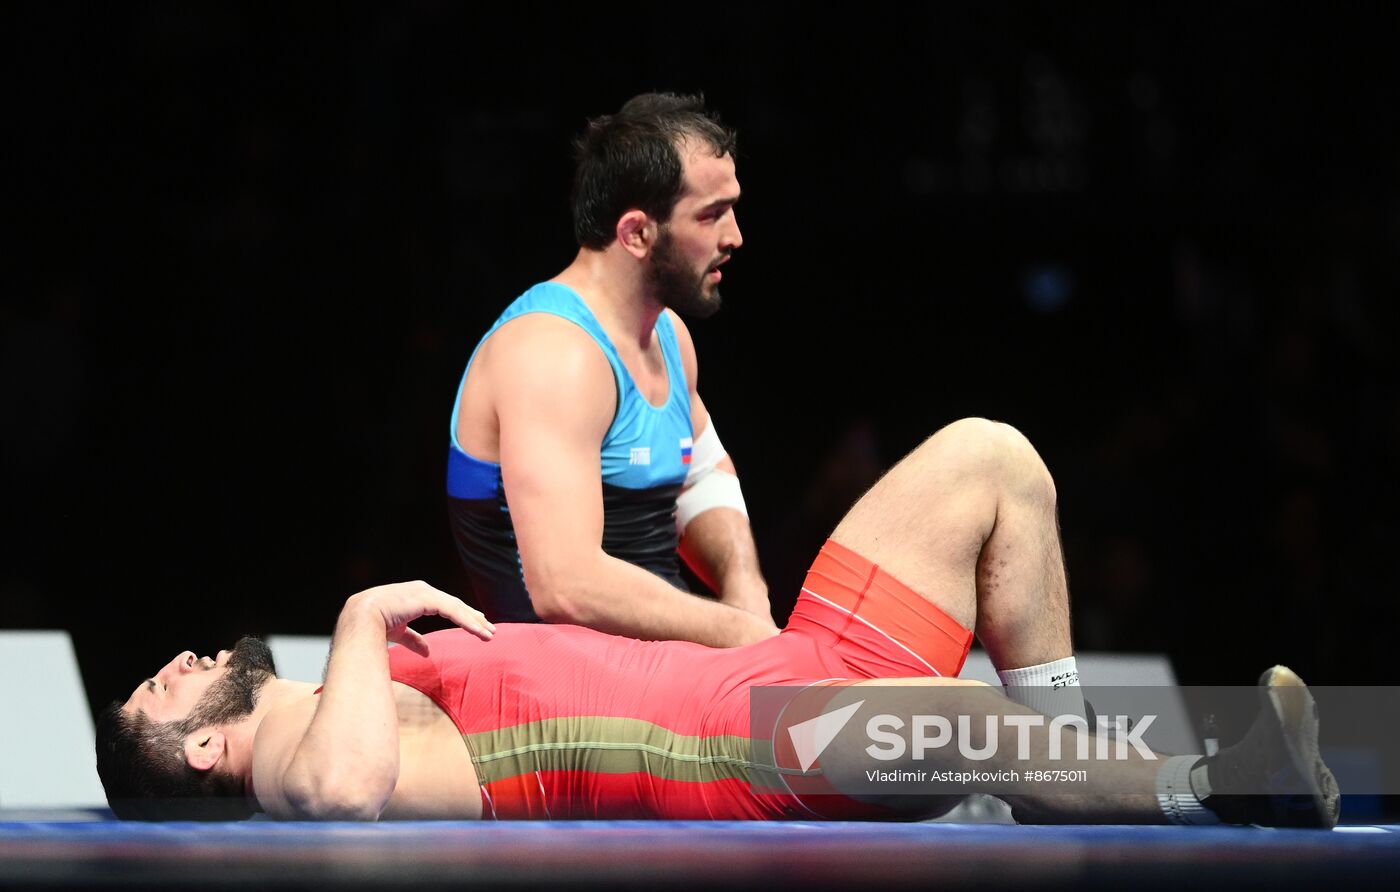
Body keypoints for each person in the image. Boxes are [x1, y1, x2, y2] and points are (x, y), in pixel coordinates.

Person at [96, 420, 1340, 827]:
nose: (177, 663)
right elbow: (347, 797)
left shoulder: (332, 698)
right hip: (752, 754)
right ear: (204, 751)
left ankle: (1082, 799)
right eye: (159, 692)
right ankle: (1214, 786)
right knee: (964, 719)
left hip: (786, 670)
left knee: (990, 459)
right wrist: (364, 611)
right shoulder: (306, 769)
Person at [446, 92, 775, 646]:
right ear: (636, 233)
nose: (734, 237)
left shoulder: (669, 336)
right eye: (712, 214)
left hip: (665, 675)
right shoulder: (555, 354)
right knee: (967, 454)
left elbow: (703, 474)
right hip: (564, 695)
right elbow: (566, 587)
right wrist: (741, 636)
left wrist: (746, 591)